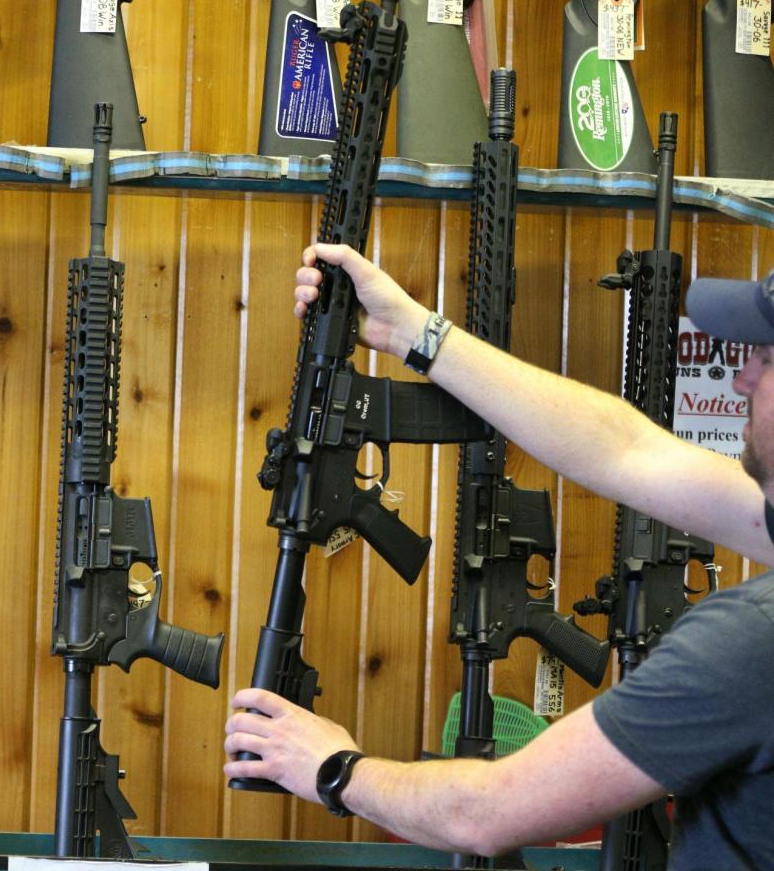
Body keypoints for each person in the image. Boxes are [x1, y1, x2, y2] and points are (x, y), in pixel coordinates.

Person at [223, 243, 774, 867]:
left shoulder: (752, 639)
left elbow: (483, 813)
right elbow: (623, 449)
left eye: (765, 357)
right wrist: (411, 331)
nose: (742, 378)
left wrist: (334, 769)